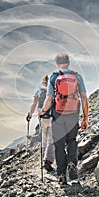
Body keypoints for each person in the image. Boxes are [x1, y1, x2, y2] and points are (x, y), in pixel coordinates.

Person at [39, 53, 88, 185]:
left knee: (59, 144)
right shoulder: (77, 76)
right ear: (69, 62)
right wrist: (85, 118)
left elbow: (49, 99)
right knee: (72, 140)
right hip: (73, 114)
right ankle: (72, 163)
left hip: (58, 115)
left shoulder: (54, 77)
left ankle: (61, 175)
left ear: (57, 63)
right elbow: (84, 98)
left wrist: (42, 111)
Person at [26, 75, 55, 172]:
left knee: (44, 139)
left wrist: (30, 114)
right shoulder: (53, 90)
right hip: (52, 117)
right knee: (51, 140)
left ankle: (43, 160)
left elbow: (34, 103)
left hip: (42, 118)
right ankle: (48, 160)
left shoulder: (39, 91)